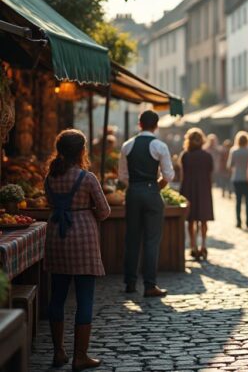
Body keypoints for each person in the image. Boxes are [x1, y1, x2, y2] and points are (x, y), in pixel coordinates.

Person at [44, 129, 110, 370]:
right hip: (84, 240)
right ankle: (80, 356)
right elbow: (104, 211)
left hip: (57, 237)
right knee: (84, 298)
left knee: (57, 296)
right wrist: (87, 209)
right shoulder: (87, 178)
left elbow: (50, 203)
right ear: (82, 151)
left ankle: (58, 352)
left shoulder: (50, 177)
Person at [118, 110, 175, 298]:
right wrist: (155, 186)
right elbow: (168, 175)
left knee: (132, 238)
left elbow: (122, 176)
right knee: (151, 240)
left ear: (139, 124)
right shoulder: (160, 146)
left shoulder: (127, 145)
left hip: (133, 192)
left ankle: (130, 283)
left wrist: (135, 185)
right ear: (156, 125)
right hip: (152, 192)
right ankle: (150, 285)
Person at [179, 128, 215, 261]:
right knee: (203, 219)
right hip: (204, 188)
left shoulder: (185, 155)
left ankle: (193, 246)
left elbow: (183, 174)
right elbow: (210, 172)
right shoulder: (207, 156)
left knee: (191, 219)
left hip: (189, 189)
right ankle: (203, 245)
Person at [228, 131, 248, 228]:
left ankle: (238, 221)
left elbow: (230, 165)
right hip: (247, 178)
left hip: (237, 178)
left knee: (238, 201)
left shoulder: (234, 151)